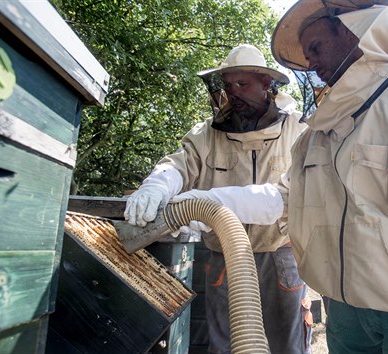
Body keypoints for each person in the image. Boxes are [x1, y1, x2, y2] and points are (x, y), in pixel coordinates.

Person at [172, 1, 388, 353]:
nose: (312, 64)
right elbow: (283, 199)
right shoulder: (317, 134)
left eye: (317, 48)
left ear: (356, 33)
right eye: (307, 56)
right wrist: (206, 201)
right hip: (344, 314)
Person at [124, 44, 311, 354]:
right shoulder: (208, 133)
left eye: (243, 84)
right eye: (228, 85)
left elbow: (291, 196)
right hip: (224, 256)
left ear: (267, 84)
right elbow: (179, 163)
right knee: (225, 345)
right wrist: (157, 185)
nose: (234, 93)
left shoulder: (296, 131)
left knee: (286, 346)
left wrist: (210, 201)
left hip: (279, 254)